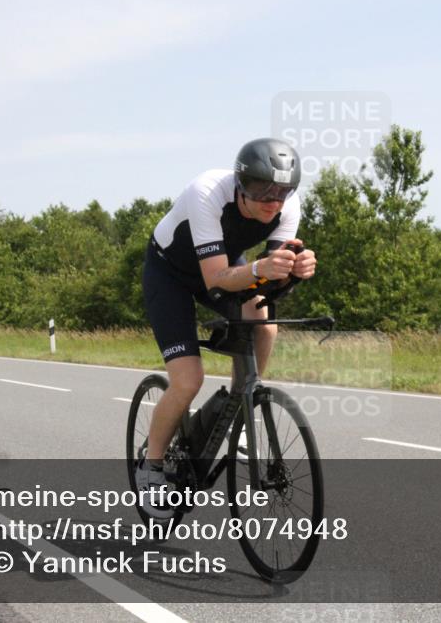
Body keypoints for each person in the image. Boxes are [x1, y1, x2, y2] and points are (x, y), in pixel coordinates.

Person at [136, 138, 317, 518]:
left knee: (264, 325)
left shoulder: (289, 206)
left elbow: (268, 283)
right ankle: (151, 467)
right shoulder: (207, 192)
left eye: (282, 191)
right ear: (240, 183)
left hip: (226, 267)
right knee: (188, 380)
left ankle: (241, 402)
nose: (273, 201)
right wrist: (261, 269)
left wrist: (293, 272)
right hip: (170, 274)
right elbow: (217, 279)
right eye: (262, 189)